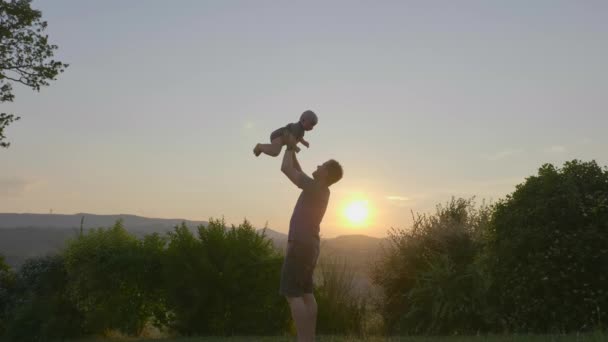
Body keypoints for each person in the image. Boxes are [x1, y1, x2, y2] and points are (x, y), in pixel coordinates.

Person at [279, 145, 343, 341]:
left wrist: (289, 146)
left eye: (321, 165)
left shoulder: (315, 187)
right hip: (311, 246)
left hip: (300, 243)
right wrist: (294, 153)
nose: (317, 165)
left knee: (292, 294)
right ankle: (310, 338)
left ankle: (303, 339)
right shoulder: (321, 189)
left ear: (325, 174)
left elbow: (287, 169)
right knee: (306, 292)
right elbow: (299, 173)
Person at [254, 110, 318, 157]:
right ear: (303, 121)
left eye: (313, 126)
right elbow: (291, 138)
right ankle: (259, 146)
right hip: (278, 135)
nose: (311, 128)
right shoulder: (297, 127)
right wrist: (295, 147)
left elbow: (300, 138)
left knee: (275, 150)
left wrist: (304, 142)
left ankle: (261, 148)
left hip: (283, 139)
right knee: (275, 151)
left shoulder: (301, 131)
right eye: (311, 125)